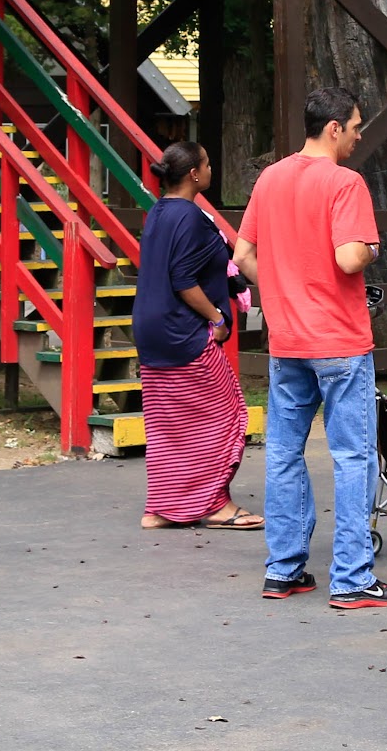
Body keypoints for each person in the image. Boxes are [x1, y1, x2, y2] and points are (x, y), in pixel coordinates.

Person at [232, 86, 387, 610]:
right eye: (355, 127)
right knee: (352, 456)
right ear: (334, 128)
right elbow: (350, 258)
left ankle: (283, 569)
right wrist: (372, 246)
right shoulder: (344, 182)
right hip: (339, 340)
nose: (358, 136)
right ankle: (351, 578)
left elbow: (243, 253)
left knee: (284, 453)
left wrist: (282, 289)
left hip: (287, 339)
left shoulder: (270, 178)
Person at [133, 142, 260, 531]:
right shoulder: (189, 216)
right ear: (193, 174)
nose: (210, 170)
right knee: (225, 414)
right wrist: (217, 317)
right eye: (206, 164)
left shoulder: (159, 211)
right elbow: (183, 280)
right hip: (182, 332)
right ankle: (215, 504)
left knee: (168, 423)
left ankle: (160, 507)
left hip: (150, 330)